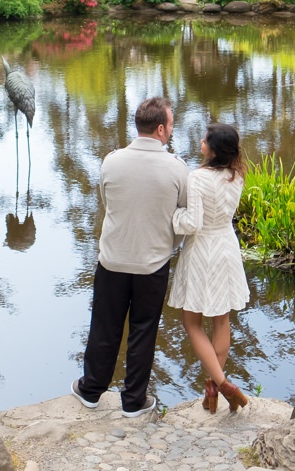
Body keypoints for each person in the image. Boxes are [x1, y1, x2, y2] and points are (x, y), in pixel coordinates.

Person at [72, 96, 189, 417]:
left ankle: (91, 390)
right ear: (162, 129)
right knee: (144, 329)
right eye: (172, 125)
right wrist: (169, 243)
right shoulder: (178, 169)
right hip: (153, 264)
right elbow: (183, 215)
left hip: (112, 261)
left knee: (104, 325)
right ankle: (133, 400)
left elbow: (107, 204)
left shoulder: (111, 162)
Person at [169, 121, 250, 413]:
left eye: (205, 139)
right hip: (226, 247)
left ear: (213, 149)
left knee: (191, 323)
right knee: (221, 320)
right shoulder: (236, 175)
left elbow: (192, 223)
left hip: (202, 250)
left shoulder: (198, 177)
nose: (201, 141)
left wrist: (174, 216)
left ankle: (225, 386)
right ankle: (213, 388)